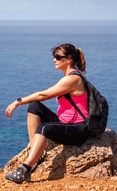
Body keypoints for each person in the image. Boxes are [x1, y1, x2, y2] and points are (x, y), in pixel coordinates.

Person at [5, 43, 90, 184]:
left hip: (78, 129)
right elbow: (39, 100)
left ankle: (25, 170)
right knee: (34, 107)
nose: (54, 60)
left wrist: (18, 101)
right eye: (54, 56)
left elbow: (43, 95)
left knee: (44, 127)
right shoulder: (68, 77)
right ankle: (34, 152)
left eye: (57, 57)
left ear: (69, 59)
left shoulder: (73, 79)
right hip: (65, 124)